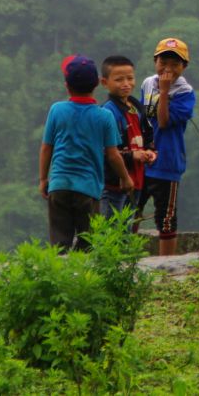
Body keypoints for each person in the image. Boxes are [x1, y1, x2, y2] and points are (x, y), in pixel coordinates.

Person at [39, 55, 134, 251]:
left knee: (59, 243)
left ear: (67, 85)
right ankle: (83, 279)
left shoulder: (57, 110)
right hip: (88, 189)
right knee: (88, 242)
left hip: (59, 185)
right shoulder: (104, 116)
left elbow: (47, 147)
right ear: (98, 84)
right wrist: (125, 178)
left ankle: (61, 279)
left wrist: (43, 179)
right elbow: (113, 154)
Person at [135, 37, 196, 256]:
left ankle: (166, 266)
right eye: (163, 62)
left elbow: (163, 121)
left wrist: (164, 90)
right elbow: (146, 118)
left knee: (166, 218)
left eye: (175, 64)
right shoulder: (147, 84)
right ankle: (125, 258)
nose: (168, 68)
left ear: (184, 66)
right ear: (155, 61)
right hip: (144, 159)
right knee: (132, 211)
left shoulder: (185, 93)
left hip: (167, 162)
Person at [99, 55, 157, 223]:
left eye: (130, 78)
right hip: (114, 183)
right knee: (110, 228)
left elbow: (147, 137)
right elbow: (106, 151)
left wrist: (150, 152)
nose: (126, 84)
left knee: (126, 229)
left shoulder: (136, 108)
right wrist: (133, 155)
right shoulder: (108, 112)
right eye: (119, 80)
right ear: (104, 82)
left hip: (136, 180)